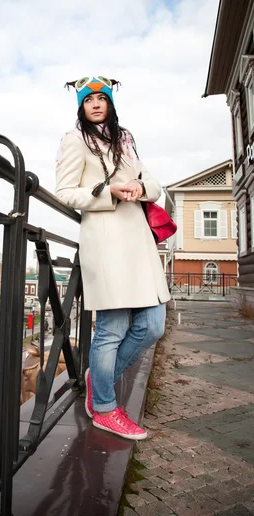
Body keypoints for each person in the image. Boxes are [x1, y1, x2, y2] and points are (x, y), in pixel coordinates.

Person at [55, 76, 170, 440]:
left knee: (153, 324)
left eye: (102, 97)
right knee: (112, 330)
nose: (96, 103)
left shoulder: (126, 139)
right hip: (106, 243)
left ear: (110, 103)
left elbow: (152, 182)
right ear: (81, 106)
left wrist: (140, 187)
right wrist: (109, 191)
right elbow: (65, 192)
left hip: (137, 243)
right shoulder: (75, 140)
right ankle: (104, 407)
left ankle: (97, 379)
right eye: (89, 100)